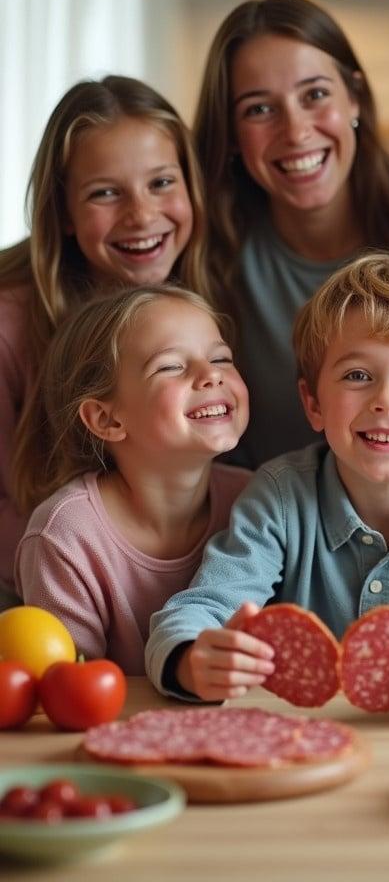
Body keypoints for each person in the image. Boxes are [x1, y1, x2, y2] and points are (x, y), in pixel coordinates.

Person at [146, 254, 389, 720]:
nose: (388, 401)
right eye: (358, 376)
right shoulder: (276, 496)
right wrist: (189, 659)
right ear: (313, 403)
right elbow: (205, 605)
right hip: (298, 739)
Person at [194, 0, 389, 468]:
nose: (295, 132)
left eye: (315, 95)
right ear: (230, 133)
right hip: (263, 531)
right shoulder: (205, 256)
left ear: (353, 96)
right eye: (259, 109)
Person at [0, 75, 212, 609]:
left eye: (161, 183)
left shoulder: (203, 301)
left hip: (181, 595)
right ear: (64, 213)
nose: (141, 215)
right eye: (105, 192)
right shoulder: (9, 326)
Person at [13, 284, 250, 674]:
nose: (211, 375)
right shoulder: (64, 536)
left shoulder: (257, 500)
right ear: (107, 419)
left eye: (221, 358)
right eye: (171, 366)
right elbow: (68, 693)